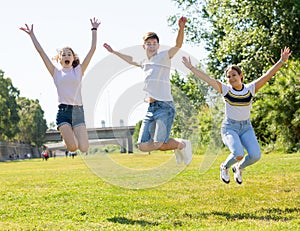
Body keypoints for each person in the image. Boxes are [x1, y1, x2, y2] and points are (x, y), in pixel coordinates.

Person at [182, 47, 291, 183]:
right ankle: (224, 166)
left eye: (234, 75)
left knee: (255, 155)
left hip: (246, 127)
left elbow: (268, 75)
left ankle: (239, 167)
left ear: (241, 76)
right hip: (230, 127)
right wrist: (191, 67)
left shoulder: (251, 89)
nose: (231, 78)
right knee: (238, 153)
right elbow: (208, 79)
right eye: (228, 76)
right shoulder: (226, 90)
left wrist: (281, 61)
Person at [103, 16, 192, 165]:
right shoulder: (144, 62)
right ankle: (177, 145)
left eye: (154, 43)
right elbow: (130, 59)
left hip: (165, 106)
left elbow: (178, 44)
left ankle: (182, 145)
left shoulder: (164, 57)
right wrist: (114, 52)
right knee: (143, 145)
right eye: (148, 43)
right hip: (151, 107)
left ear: (158, 45)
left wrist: (181, 28)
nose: (151, 46)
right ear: (143, 46)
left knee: (159, 143)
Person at [20, 18, 101, 153]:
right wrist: (32, 35)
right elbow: (41, 53)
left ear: (73, 58)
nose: (66, 56)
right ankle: (66, 135)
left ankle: (69, 135)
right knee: (73, 147)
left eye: (69, 54)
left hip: (78, 112)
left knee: (84, 148)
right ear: (59, 58)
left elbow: (92, 50)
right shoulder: (56, 72)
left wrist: (94, 30)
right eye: (63, 54)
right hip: (63, 112)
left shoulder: (79, 71)